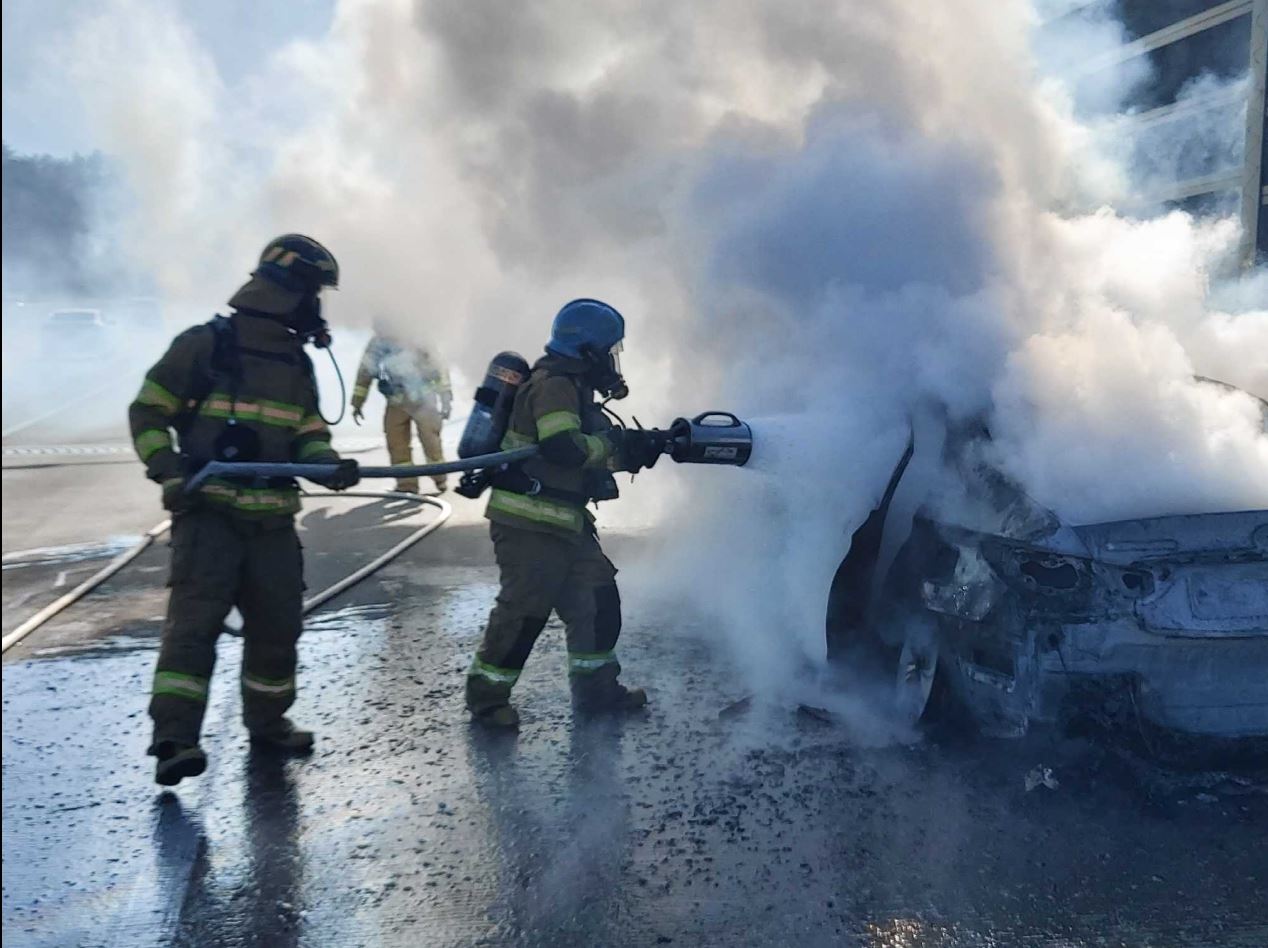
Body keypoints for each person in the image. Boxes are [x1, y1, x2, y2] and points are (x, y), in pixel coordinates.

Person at [128, 234, 360, 786]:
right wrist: (169, 471)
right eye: (313, 293)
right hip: (209, 517)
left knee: (278, 627)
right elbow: (148, 412)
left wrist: (328, 465)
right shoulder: (204, 346)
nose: (316, 307)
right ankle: (175, 740)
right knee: (193, 628)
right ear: (290, 291)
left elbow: (307, 433)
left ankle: (268, 723)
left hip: (273, 522)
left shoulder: (295, 363)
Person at [464, 299, 665, 728]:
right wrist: (614, 448)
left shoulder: (574, 389)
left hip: (565, 522)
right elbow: (563, 447)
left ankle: (597, 692)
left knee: (598, 598)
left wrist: (634, 449)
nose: (612, 360)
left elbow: (584, 450)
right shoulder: (554, 385)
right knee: (523, 612)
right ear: (588, 350)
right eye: (609, 350)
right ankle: (487, 701)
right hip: (529, 523)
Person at [350, 329, 453, 493]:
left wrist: (446, 398)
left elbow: (439, 367)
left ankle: (440, 478)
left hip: (424, 402)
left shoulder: (419, 336)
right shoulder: (377, 343)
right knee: (396, 445)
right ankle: (406, 485)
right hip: (395, 403)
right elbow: (365, 372)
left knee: (431, 442)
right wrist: (357, 402)